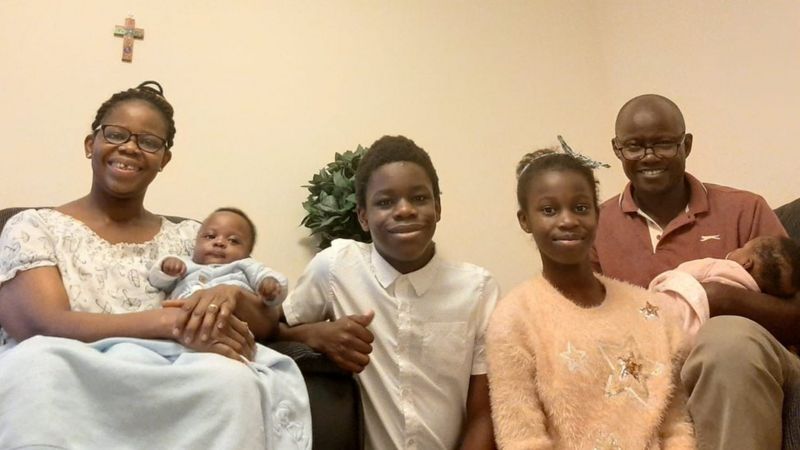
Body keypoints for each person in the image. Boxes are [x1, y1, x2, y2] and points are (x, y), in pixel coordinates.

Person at [0, 81, 311, 449]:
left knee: (229, 377)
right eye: (116, 134)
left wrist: (231, 295)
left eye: (148, 142)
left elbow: (263, 324)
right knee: (37, 363)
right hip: (69, 370)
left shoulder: (193, 238)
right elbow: (38, 324)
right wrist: (167, 322)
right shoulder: (35, 226)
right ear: (90, 144)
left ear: (164, 160)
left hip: (170, 374)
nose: (130, 147)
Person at [591, 93, 798, 450]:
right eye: (634, 146)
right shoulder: (594, 226)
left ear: (686, 145)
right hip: (643, 376)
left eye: (663, 144)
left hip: (741, 366)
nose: (649, 157)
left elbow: (796, 313)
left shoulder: (745, 209)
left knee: (726, 339)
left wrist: (719, 299)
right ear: (617, 149)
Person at [279, 135, 499, 450]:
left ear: (438, 207)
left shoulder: (477, 289)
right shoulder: (336, 268)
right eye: (385, 202)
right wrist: (314, 334)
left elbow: (483, 413)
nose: (405, 210)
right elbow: (271, 328)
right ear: (363, 217)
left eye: (419, 198)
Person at [486, 149, 694, 449]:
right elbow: (522, 439)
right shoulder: (514, 320)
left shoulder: (654, 312)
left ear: (597, 214)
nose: (568, 220)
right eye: (549, 210)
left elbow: (677, 426)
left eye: (581, 207)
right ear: (525, 220)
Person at [651, 235, 800, 344]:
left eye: (741, 248)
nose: (735, 249)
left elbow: (684, 271)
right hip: (699, 339)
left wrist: (658, 285)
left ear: (747, 263)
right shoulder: (754, 297)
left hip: (675, 312)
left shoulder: (722, 266)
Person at [149, 207, 289, 309]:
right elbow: (157, 282)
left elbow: (270, 279)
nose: (219, 242)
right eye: (210, 236)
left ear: (248, 252)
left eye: (233, 240)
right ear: (196, 242)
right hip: (179, 320)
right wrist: (166, 268)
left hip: (229, 323)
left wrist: (270, 286)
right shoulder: (185, 265)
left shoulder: (247, 266)